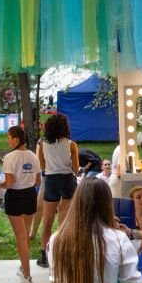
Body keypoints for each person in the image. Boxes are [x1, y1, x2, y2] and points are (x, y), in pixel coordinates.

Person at [37, 113, 80, 269]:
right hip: (67, 181)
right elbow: (76, 169)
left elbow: (41, 165)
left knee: (47, 221)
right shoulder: (71, 145)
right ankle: (63, 253)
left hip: (51, 181)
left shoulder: (42, 144)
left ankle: (44, 254)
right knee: (64, 222)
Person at [1, 125, 40, 283]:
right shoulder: (33, 155)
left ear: (16, 139)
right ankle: (24, 267)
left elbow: (9, 183)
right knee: (25, 234)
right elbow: (38, 181)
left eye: (9, 138)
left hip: (15, 197)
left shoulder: (9, 157)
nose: (8, 141)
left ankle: (27, 275)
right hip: (30, 195)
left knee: (21, 237)